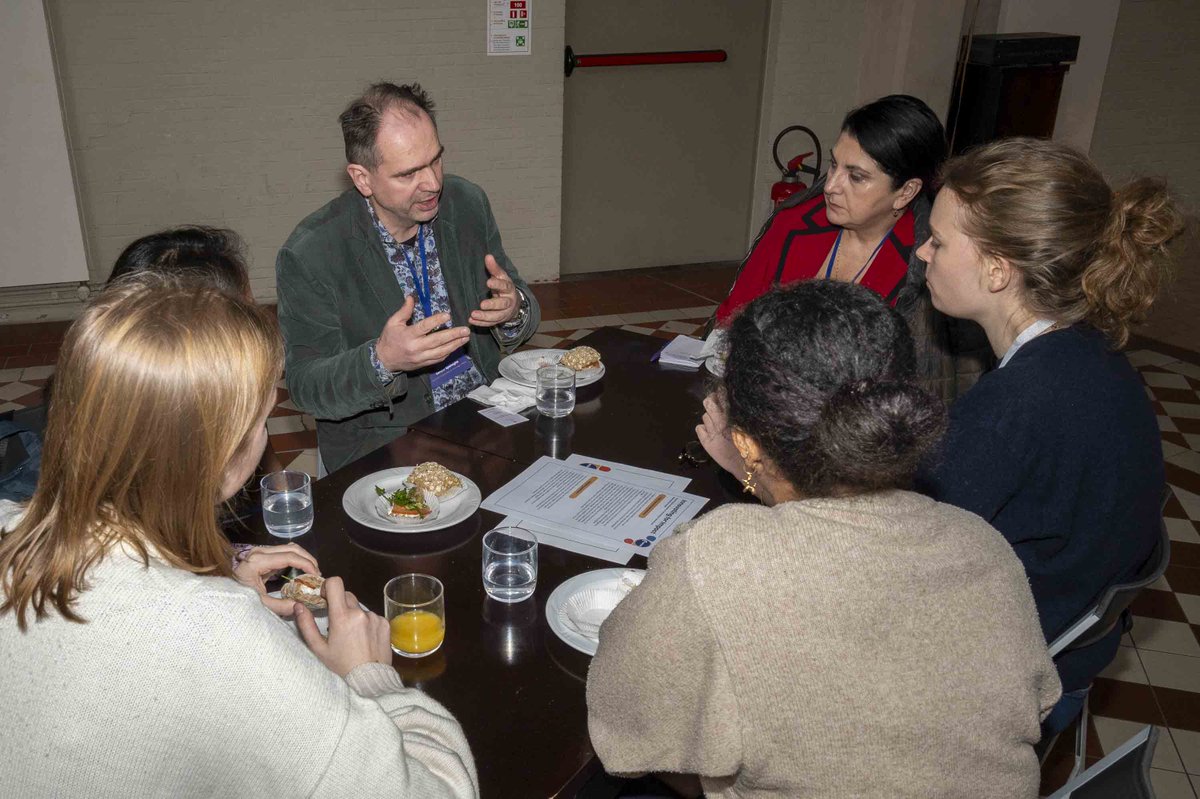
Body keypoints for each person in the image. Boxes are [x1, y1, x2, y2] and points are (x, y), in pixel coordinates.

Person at [0, 273, 478, 797]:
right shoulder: (219, 634)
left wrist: (218, 569)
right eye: (259, 419)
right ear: (221, 454)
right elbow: (445, 789)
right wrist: (368, 677)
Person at [589, 281, 1060, 798]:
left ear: (745, 443)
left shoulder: (713, 556)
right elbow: (1037, 700)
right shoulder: (981, 543)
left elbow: (627, 731)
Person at [913, 137, 1183, 736]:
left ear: (998, 269)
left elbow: (894, 547)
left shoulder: (1019, 403)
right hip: (1068, 642)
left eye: (939, 240)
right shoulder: (1093, 357)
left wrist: (761, 471)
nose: (922, 251)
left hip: (1014, 680)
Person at [277, 82, 540, 474]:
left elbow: (523, 306)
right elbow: (307, 387)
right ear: (362, 178)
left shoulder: (467, 203)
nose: (433, 183)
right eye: (408, 173)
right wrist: (382, 360)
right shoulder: (312, 252)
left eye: (435, 160)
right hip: (388, 441)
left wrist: (514, 308)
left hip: (485, 415)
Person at [712, 94, 991, 403]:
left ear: (906, 191)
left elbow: (920, 382)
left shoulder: (923, 262)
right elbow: (732, 319)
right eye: (834, 165)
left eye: (856, 177)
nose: (831, 185)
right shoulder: (794, 223)